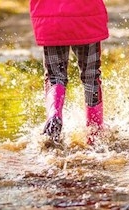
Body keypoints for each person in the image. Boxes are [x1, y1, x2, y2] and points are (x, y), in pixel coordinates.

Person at [29, 0, 109, 145]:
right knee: (91, 76)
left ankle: (54, 115)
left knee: (55, 76)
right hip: (87, 16)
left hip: (51, 21)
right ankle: (95, 133)